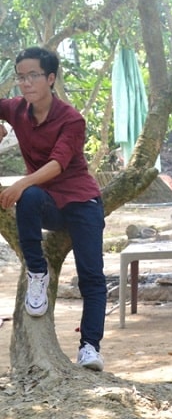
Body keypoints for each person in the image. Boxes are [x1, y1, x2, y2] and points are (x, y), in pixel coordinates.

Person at [0, 47, 106, 371]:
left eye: (33, 75)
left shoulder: (71, 119)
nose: (26, 83)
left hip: (81, 202)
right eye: (20, 76)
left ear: (50, 78)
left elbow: (58, 163)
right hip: (46, 202)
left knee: (92, 276)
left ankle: (90, 347)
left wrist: (20, 183)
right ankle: (37, 271)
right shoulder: (17, 109)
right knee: (30, 198)